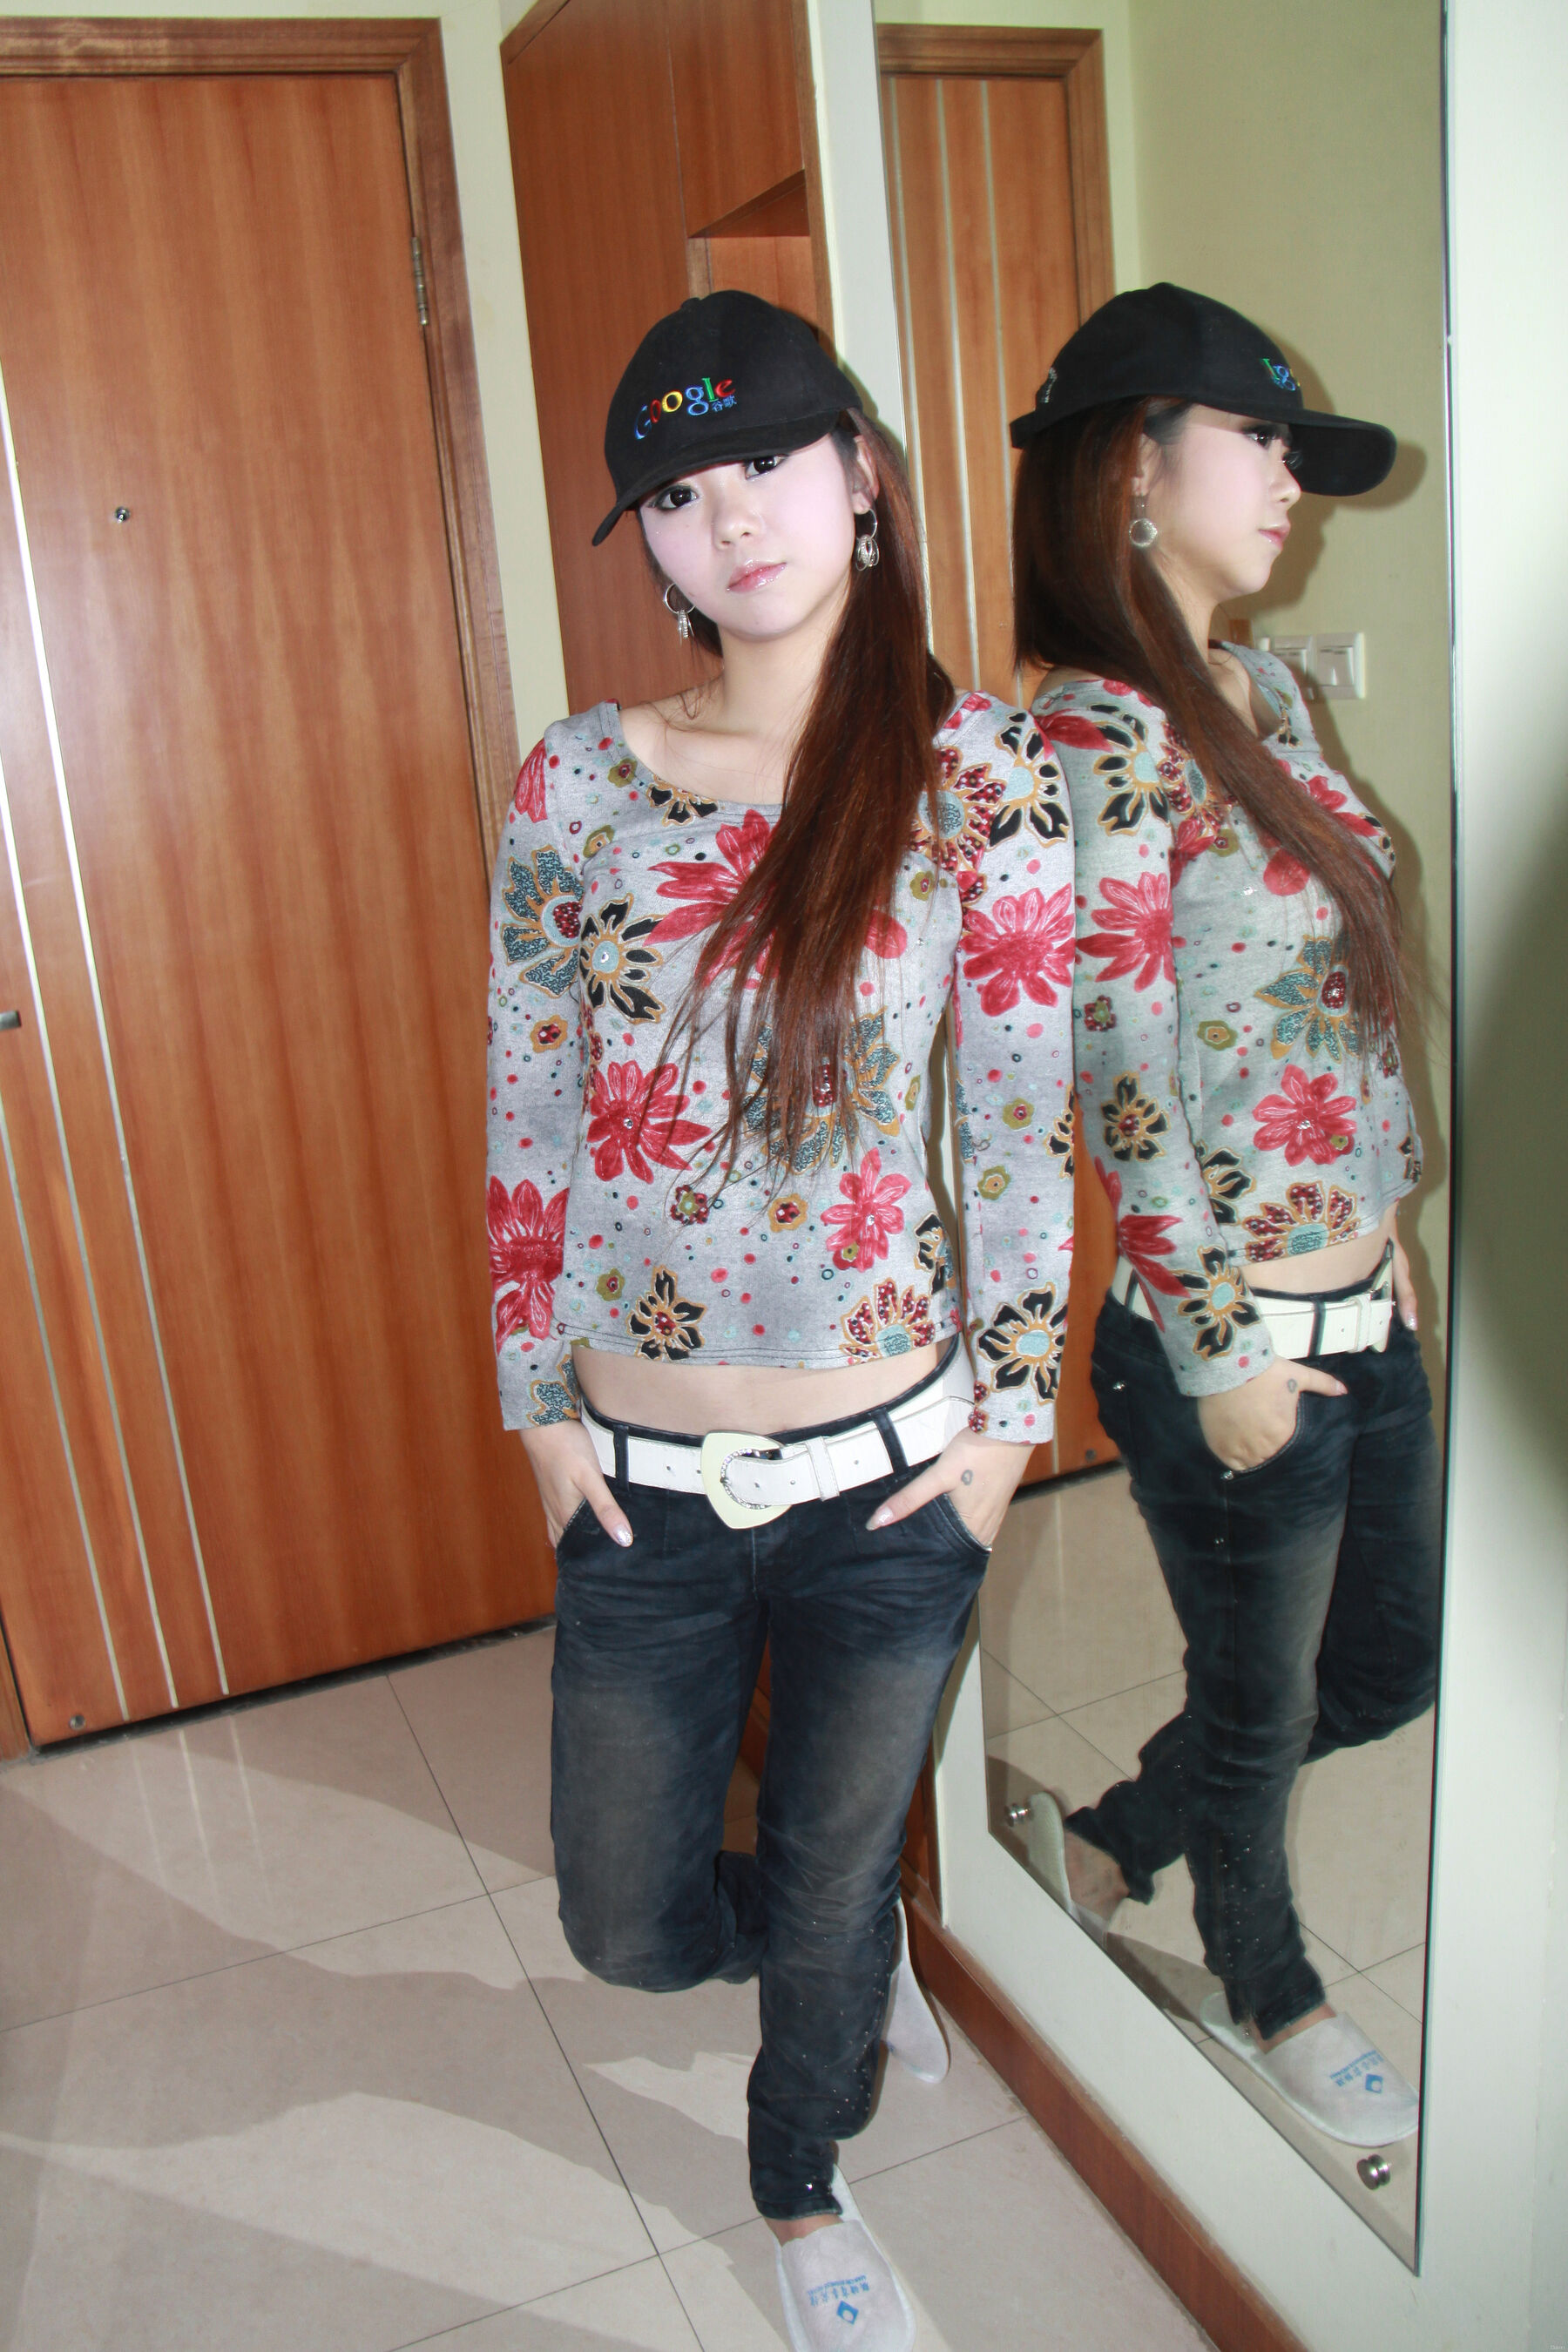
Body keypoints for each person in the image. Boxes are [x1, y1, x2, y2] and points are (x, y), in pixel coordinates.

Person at [487, 290, 1075, 2349]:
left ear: (863, 479)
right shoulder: (578, 779)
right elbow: (531, 1102)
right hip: (637, 1481)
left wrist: (1004, 1434)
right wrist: (534, 1401)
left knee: (828, 1875)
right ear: (645, 537)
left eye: (767, 463)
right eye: (676, 489)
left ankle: (802, 2175)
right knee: (627, 1919)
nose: (729, 518)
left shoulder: (980, 775)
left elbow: (1019, 1125)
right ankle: (836, 1957)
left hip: (893, 1482)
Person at [1008, 284, 1438, 2149]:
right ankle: (1270, 1987)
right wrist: (1217, 1346)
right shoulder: (1094, 735)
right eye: (1257, 441)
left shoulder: (1263, 692)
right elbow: (1118, 1070)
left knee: (1388, 1664)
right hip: (1230, 1339)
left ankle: (1109, 1841)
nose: (1288, 482)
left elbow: (1324, 1002)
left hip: (1360, 1294)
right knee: (1258, 1712)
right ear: (1131, 465)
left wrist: (1383, 1218)